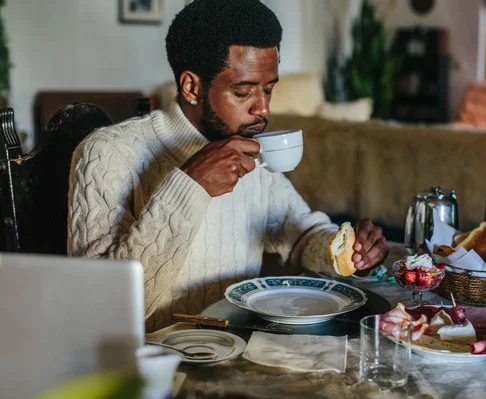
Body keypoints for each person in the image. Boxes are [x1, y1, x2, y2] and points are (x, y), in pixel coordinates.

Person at [68, 0, 389, 332]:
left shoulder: (251, 149)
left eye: (269, 89)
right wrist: (189, 186)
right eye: (243, 92)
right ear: (191, 87)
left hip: (241, 350)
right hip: (149, 364)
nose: (263, 109)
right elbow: (99, 307)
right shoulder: (107, 152)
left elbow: (301, 234)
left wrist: (349, 252)